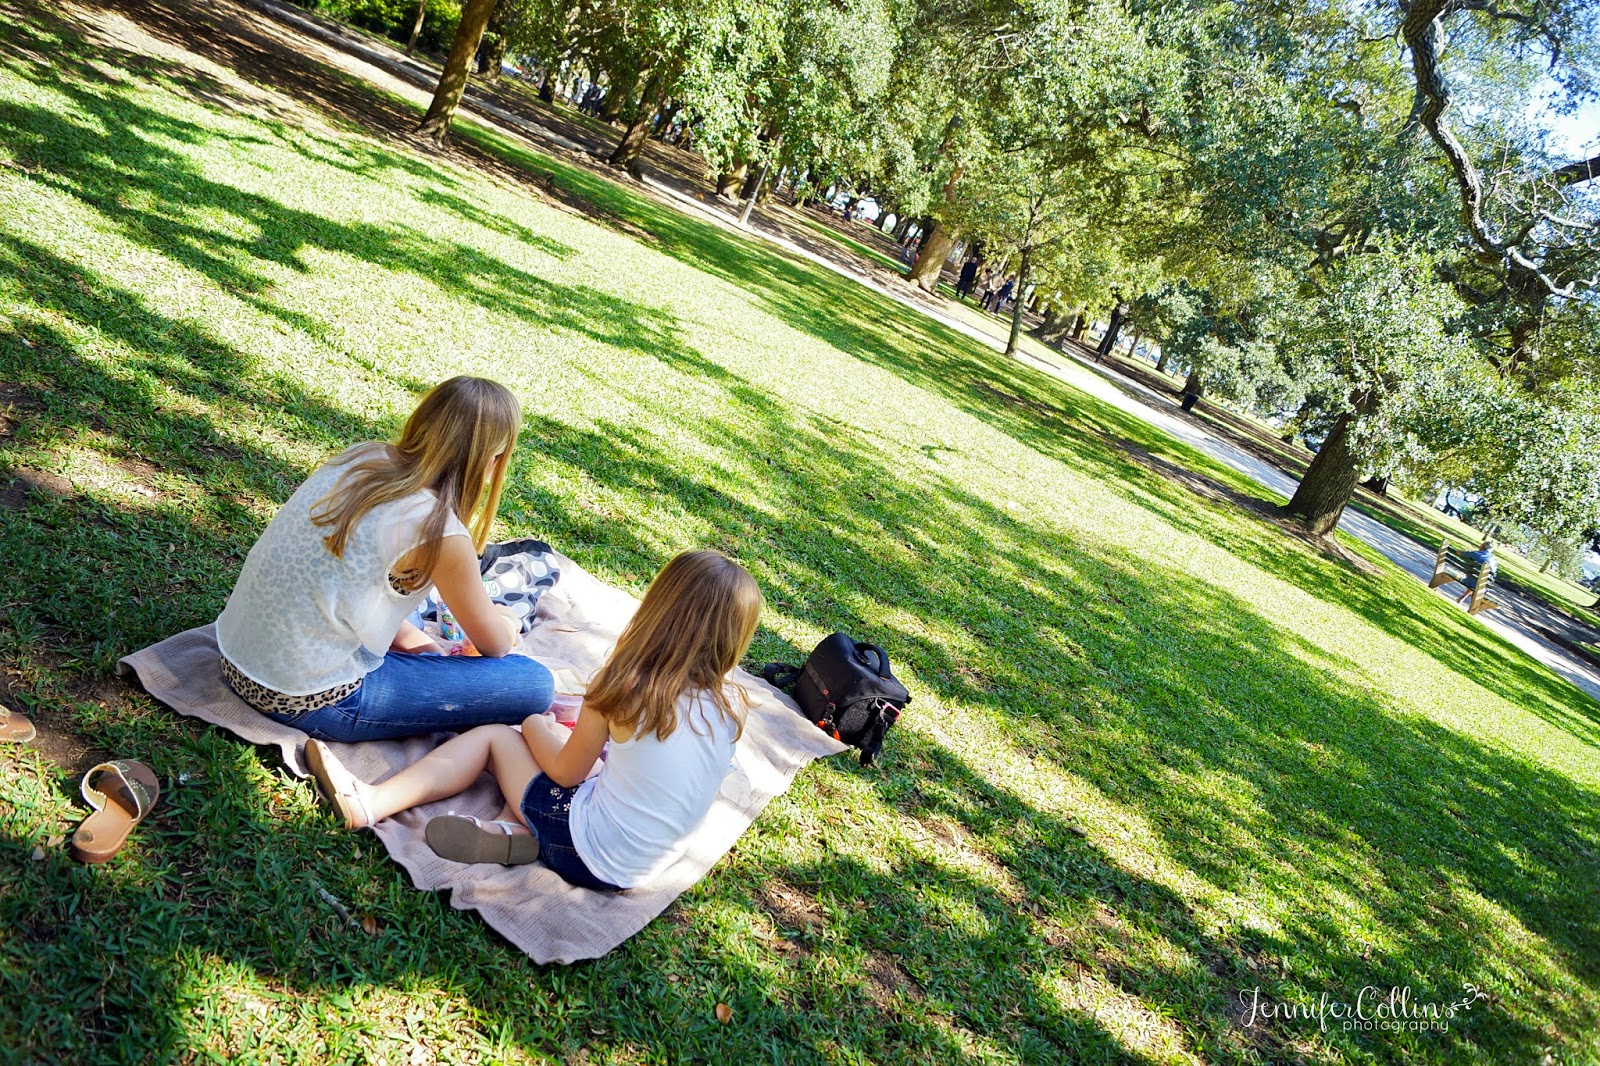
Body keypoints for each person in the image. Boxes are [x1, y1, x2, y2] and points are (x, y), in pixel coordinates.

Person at [303, 550, 763, 892]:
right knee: (585, 775)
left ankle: (373, 802)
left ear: (658, 610)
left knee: (495, 739)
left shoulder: (626, 686)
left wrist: (534, 725)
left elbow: (565, 772)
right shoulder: (731, 707)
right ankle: (513, 833)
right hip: (643, 868)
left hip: (583, 847)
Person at [216, 376, 555, 742]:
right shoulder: (440, 530)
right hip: (307, 697)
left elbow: (347, 582)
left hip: (237, 657)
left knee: (401, 588)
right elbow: (495, 645)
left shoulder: (362, 456)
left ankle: (408, 646)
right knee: (534, 683)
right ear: (491, 462)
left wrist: (417, 642)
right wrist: (505, 621)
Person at [1456, 537, 1497, 605]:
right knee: (1477, 580)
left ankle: (1464, 600)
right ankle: (1464, 600)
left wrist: (1467, 551)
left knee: (1475, 580)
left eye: (1481, 545)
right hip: (1485, 586)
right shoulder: (1494, 561)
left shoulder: (1476, 554)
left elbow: (1458, 552)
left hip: (1471, 581)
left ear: (1483, 547)